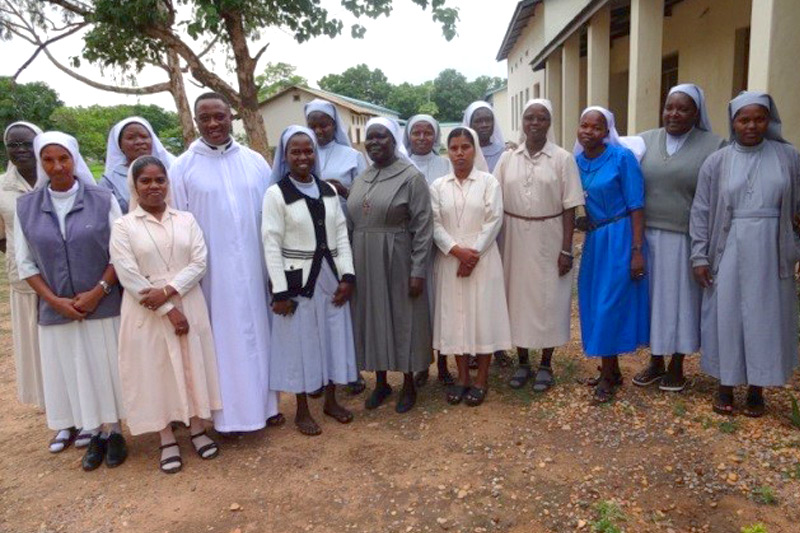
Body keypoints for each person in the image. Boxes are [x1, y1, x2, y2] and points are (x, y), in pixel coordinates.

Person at [15, 131, 127, 470]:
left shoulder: (102, 198)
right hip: (57, 310)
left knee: (107, 369)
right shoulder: (27, 207)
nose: (57, 166)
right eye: (48, 160)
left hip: (102, 305)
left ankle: (117, 432)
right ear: (41, 163)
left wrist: (98, 292)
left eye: (63, 158)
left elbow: (120, 253)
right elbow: (25, 263)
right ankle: (94, 433)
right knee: (74, 370)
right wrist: (55, 301)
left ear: (74, 158)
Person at [171, 92, 281, 433]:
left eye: (220, 116)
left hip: (254, 265)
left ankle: (268, 407)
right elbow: (178, 227)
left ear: (231, 115)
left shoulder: (255, 161)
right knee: (223, 344)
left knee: (260, 336)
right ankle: (227, 417)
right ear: (195, 121)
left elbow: (270, 216)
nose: (214, 124)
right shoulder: (182, 167)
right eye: (205, 118)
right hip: (211, 275)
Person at [690, 92, 800, 417]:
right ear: (733, 122)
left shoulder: (789, 157)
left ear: (769, 121)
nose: (752, 126)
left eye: (759, 119)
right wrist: (699, 256)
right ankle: (725, 384)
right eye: (744, 119)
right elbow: (700, 210)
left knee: (765, 317)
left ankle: (757, 387)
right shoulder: (717, 161)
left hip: (772, 249)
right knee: (728, 314)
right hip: (729, 247)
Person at [110, 155, 222, 473]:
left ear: (167, 183)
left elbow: (199, 262)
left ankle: (198, 428)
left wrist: (169, 290)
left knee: (191, 364)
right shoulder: (123, 226)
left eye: (160, 179)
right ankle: (166, 437)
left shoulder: (186, 218)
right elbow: (128, 275)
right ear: (134, 186)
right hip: (147, 310)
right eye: (145, 180)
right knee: (156, 370)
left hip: (189, 299)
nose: (154, 186)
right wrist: (167, 309)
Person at [263, 125, 357, 435]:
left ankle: (331, 400)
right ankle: (302, 409)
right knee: (300, 342)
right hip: (297, 280)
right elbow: (271, 243)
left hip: (330, 276)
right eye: (296, 151)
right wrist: (280, 292)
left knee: (332, 336)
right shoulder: (277, 194)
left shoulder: (328, 190)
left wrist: (347, 276)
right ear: (285, 156)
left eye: (308, 150)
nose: (303, 157)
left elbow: (341, 234)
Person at [633, 85, 724, 392]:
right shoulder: (645, 140)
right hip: (647, 236)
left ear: (696, 113)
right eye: (669, 107)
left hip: (686, 239)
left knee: (683, 302)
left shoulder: (713, 145)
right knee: (653, 301)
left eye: (682, 109)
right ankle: (656, 360)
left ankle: (678, 364)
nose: (674, 114)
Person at [494, 99, 584, 392]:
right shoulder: (508, 158)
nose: (534, 123)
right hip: (514, 236)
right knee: (516, 297)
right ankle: (522, 362)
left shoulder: (562, 158)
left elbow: (570, 206)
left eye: (541, 118)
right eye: (529, 118)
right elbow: (492, 197)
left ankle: (545, 363)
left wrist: (566, 248)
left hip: (550, 234)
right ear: (522, 122)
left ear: (550, 123)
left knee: (549, 299)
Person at [347, 117, 433, 414]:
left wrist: (418, 270)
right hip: (364, 261)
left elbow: (423, 227)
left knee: (403, 318)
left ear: (394, 140)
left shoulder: (411, 177)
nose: (374, 143)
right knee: (373, 318)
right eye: (369, 138)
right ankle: (381, 381)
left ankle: (408, 383)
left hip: (398, 257)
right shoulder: (362, 178)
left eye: (381, 137)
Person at [574, 107, 650, 404]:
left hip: (619, 237)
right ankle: (613, 369)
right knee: (593, 301)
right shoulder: (576, 162)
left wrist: (637, 250)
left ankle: (607, 377)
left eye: (597, 127)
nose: (589, 132)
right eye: (584, 126)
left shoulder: (622, 158)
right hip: (595, 240)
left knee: (608, 303)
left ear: (607, 132)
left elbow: (636, 205)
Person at [431, 127, 511, 406]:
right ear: (447, 152)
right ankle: (463, 377)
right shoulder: (439, 185)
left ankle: (481, 379)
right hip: (451, 259)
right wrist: (457, 251)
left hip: (483, 259)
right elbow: (435, 223)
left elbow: (494, 219)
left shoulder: (489, 182)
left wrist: (472, 254)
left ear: (474, 150)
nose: (460, 153)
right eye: (454, 148)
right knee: (456, 319)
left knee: (482, 317)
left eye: (465, 147)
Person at [304, 98, 368, 396]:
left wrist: (342, 190)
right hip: (311, 243)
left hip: (345, 237)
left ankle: (351, 370)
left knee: (348, 302)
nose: (319, 131)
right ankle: (321, 372)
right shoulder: (303, 153)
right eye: (313, 125)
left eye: (324, 124)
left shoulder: (352, 156)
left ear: (335, 125)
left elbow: (367, 195)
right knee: (317, 307)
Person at [403, 114, 454, 387]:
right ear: (408, 136)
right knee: (420, 308)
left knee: (441, 306)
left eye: (427, 133)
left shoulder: (444, 164)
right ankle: (422, 363)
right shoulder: (402, 164)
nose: (422, 138)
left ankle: (445, 363)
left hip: (440, 247)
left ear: (435, 136)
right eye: (416, 133)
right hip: (410, 247)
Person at [1, 122, 45, 409]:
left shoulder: (55, 177)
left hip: (61, 280)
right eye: (14, 145)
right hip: (24, 282)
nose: (21, 150)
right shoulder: (2, 188)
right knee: (34, 348)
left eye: (27, 143)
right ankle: (54, 412)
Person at [100, 116, 175, 213]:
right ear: (120, 145)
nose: (139, 142)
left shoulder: (171, 170)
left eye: (144, 136)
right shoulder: (110, 181)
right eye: (130, 138)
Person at [462, 101, 506, 173]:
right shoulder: (461, 154)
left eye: (488, 120)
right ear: (469, 124)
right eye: (478, 121)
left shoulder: (504, 154)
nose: (484, 125)